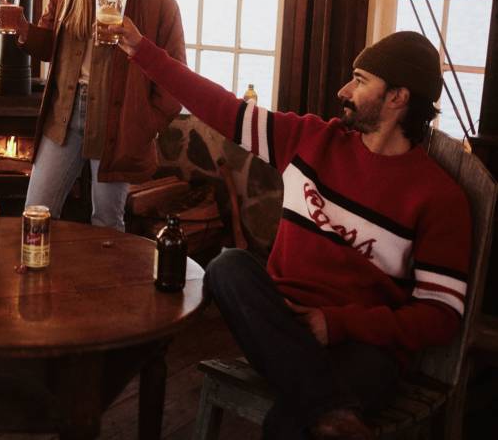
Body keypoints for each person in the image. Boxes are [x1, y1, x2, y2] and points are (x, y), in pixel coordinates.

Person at [116, 22, 471, 439]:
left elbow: (440, 316)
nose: (343, 91)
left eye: (360, 81)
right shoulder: (309, 139)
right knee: (228, 267)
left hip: (364, 346)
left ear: (397, 97)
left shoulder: (438, 198)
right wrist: (142, 50)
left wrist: (336, 323)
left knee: (290, 421)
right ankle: (331, 411)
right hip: (278, 323)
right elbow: (220, 107)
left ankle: (326, 410)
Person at [0, 0, 185, 231]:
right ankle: (38, 269)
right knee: (36, 212)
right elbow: (49, 46)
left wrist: (143, 123)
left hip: (117, 125)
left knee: (107, 222)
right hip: (63, 116)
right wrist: (22, 28)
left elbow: (174, 78)